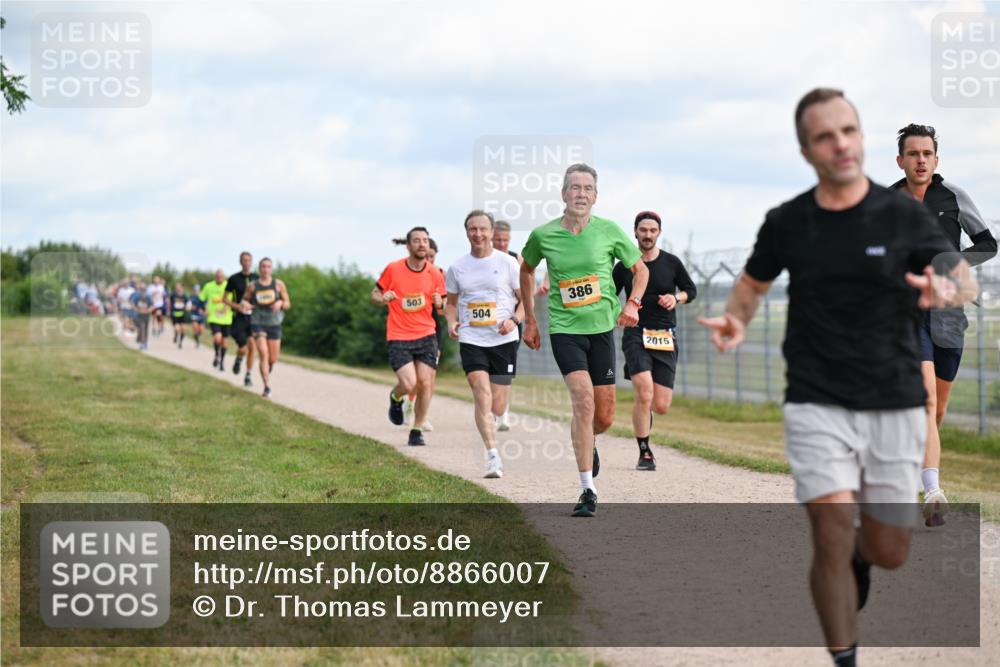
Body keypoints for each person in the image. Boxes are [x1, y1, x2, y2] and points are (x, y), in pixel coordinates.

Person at [697, 88, 977, 667]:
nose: (840, 143)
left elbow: (959, 272)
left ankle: (860, 555)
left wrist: (951, 285)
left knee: (888, 548)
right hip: (816, 398)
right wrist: (735, 318)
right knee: (827, 529)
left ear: (861, 139)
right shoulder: (789, 221)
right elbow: (751, 283)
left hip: (893, 399)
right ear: (807, 150)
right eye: (825, 136)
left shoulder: (900, 212)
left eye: (848, 130)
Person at [520, 163, 648, 517]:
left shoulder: (609, 231)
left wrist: (633, 304)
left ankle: (587, 439)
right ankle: (587, 490)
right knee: (583, 401)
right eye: (573, 187)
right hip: (565, 330)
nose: (580, 193)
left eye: (587, 188)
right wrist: (530, 320)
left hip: (602, 329)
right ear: (563, 194)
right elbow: (527, 270)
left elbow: (641, 270)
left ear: (595, 195)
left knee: (603, 417)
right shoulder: (544, 235)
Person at [889, 123, 998, 527]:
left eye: (927, 154)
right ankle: (933, 490)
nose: (920, 160)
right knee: (925, 401)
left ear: (936, 159)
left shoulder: (953, 197)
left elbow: (988, 243)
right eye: (912, 154)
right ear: (900, 161)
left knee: (937, 410)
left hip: (950, 314)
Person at [613, 210, 697, 471]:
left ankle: (646, 411)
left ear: (658, 233)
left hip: (664, 335)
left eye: (652, 231)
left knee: (660, 405)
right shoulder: (626, 265)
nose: (647, 235)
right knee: (644, 391)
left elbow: (690, 290)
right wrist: (618, 313)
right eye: (642, 230)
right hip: (636, 333)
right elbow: (610, 293)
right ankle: (644, 451)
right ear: (635, 233)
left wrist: (676, 298)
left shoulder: (671, 263)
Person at [445, 210, 524, 478]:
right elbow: (451, 304)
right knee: (481, 393)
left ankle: (498, 420)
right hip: (472, 338)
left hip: (503, 338)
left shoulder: (508, 263)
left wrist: (514, 320)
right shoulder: (457, 267)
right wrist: (450, 322)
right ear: (466, 232)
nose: (477, 234)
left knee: (498, 406)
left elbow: (525, 300)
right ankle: (492, 456)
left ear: (491, 232)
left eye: (482, 229)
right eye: (472, 229)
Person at [373, 227, 446, 447]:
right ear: (408, 245)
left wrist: (439, 302)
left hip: (426, 334)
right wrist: (383, 297)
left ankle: (416, 429)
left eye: (425, 240)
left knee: (424, 383)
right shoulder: (393, 269)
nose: (422, 244)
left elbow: (443, 306)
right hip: (399, 335)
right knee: (408, 383)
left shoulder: (434, 272)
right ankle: (396, 398)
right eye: (417, 240)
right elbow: (375, 294)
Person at [402, 239, 448, 431]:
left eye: (432, 256)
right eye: (426, 256)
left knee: (429, 377)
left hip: (432, 330)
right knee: (413, 377)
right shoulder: (408, 273)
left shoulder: (440, 275)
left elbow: (445, 311)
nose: (428, 259)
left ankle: (423, 416)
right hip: (409, 329)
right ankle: (409, 401)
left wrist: (440, 303)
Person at [241, 258, 290, 399]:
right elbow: (244, 300)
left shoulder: (278, 285)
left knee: (273, 359)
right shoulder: (252, 286)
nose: (266, 269)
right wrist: (246, 304)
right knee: (263, 352)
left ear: (271, 269)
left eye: (269, 266)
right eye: (263, 266)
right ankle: (267, 387)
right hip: (258, 322)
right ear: (259, 268)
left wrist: (280, 302)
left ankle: (268, 368)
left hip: (274, 323)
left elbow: (288, 303)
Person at [492, 219, 522, 431]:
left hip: (511, 322)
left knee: (505, 370)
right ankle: (491, 409)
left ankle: (503, 413)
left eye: (505, 240)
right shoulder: (483, 259)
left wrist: (518, 318)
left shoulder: (515, 258)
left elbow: (525, 288)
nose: (502, 244)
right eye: (498, 240)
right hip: (485, 323)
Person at [223, 251, 259, 388]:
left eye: (249, 260)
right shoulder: (233, 279)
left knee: (253, 346)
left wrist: (256, 307)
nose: (247, 262)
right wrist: (236, 306)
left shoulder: (257, 278)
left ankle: (248, 375)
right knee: (243, 348)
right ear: (240, 262)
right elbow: (224, 299)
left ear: (252, 262)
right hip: (239, 318)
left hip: (254, 318)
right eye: (244, 260)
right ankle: (238, 359)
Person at [200, 270, 234, 371]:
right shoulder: (208, 286)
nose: (219, 278)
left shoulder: (229, 286)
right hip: (213, 317)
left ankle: (222, 361)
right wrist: (204, 308)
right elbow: (202, 299)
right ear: (215, 277)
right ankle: (216, 355)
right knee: (217, 338)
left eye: (221, 276)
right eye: (217, 276)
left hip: (226, 318)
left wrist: (227, 307)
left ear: (224, 277)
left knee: (224, 342)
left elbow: (234, 300)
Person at [130, 280, 153, 351]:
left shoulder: (148, 297)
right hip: (138, 316)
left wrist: (147, 311)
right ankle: (142, 343)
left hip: (146, 316)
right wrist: (137, 310)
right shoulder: (137, 296)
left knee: (145, 329)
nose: (143, 291)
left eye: (144, 290)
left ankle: (144, 342)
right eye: (141, 289)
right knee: (142, 327)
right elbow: (132, 304)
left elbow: (152, 306)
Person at [169, 282, 190, 348]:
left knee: (183, 329)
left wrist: (188, 307)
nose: (177, 288)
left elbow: (188, 304)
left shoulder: (185, 296)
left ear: (182, 287)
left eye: (179, 286)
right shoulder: (173, 295)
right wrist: (169, 310)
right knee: (177, 329)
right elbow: (170, 303)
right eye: (176, 286)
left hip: (183, 314)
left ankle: (180, 342)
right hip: (175, 314)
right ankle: (176, 335)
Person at [189, 284, 206, 348]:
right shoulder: (191, 297)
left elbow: (206, 306)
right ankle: (197, 341)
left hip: (201, 315)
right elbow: (189, 306)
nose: (196, 291)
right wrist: (191, 308)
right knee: (195, 328)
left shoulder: (203, 297)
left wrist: (204, 311)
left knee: (201, 330)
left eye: (197, 290)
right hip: (194, 315)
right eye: (195, 290)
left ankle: (197, 337)